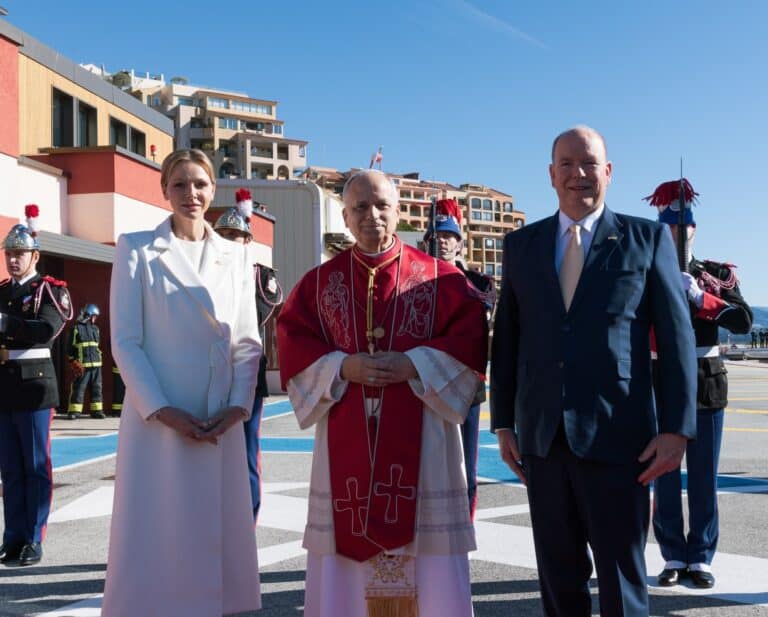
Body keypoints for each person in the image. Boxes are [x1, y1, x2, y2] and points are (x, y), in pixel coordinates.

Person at [490, 126, 697, 616]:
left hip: (620, 440)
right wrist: (503, 422)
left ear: (608, 172)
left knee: (622, 584)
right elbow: (507, 341)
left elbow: (676, 340)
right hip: (543, 440)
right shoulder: (521, 246)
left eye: (589, 164)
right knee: (559, 582)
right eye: (566, 164)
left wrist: (677, 430)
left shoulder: (645, 239)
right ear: (550, 174)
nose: (577, 174)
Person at [277, 169, 487, 617]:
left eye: (382, 206)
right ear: (346, 218)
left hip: (424, 437)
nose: (372, 216)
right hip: (345, 435)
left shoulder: (442, 279)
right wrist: (342, 366)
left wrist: (413, 364)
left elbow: (471, 343)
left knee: (429, 566)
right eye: (360, 208)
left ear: (398, 210)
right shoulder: (318, 284)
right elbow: (293, 340)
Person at [102, 149, 262, 616]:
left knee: (216, 534)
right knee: (158, 529)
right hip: (159, 418)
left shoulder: (236, 254)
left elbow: (248, 340)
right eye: (179, 184)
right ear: (164, 190)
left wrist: (238, 407)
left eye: (200, 184)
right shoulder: (137, 248)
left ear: (214, 190)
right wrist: (160, 408)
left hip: (219, 417)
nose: (190, 194)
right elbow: (126, 342)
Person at [645, 179, 753, 589]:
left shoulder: (717, 274)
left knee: (704, 477)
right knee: (665, 474)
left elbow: (743, 322)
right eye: (669, 227)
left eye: (684, 227)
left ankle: (702, 557)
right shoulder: (645, 270)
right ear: (660, 230)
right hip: (659, 380)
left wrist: (703, 300)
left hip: (705, 381)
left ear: (694, 230)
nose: (677, 234)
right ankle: (673, 555)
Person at [0, 205, 72, 567]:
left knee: (34, 466)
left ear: (35, 256)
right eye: (9, 254)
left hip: (34, 388)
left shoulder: (49, 290)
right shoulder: (1, 291)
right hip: (4, 388)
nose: (13, 260)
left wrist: (6, 324)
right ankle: (12, 537)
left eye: (20, 254)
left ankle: (33, 538)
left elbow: (47, 329)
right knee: (9, 469)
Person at [213, 189, 284, 521]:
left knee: (243, 453)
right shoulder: (203, 275)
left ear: (247, 240)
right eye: (224, 234)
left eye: (236, 235)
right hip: (208, 374)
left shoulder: (261, 277)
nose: (229, 240)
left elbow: (254, 315)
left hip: (246, 377)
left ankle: (247, 520)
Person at [431, 197, 495, 517]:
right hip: (427, 384)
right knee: (429, 467)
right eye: (436, 236)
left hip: (467, 384)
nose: (442, 242)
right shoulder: (415, 281)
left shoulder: (479, 283)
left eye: (448, 236)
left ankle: (465, 525)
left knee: (466, 466)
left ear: (459, 243)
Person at [66, 303, 105, 419]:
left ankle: (97, 411)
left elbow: (97, 346)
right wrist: (73, 361)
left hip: (97, 365)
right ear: (88, 315)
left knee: (97, 388)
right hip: (82, 365)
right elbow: (69, 348)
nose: (95, 319)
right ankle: (74, 412)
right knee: (79, 388)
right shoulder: (76, 329)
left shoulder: (95, 329)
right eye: (94, 316)